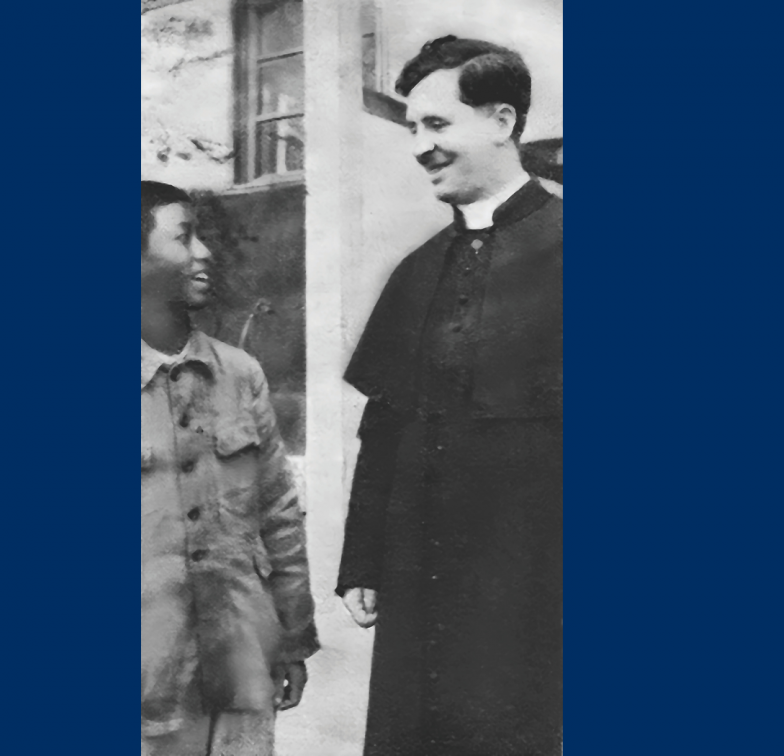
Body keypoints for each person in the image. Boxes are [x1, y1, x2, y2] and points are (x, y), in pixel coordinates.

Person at [337, 37, 563, 755]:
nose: (420, 147)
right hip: (418, 585)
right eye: (412, 129)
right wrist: (363, 562)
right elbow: (384, 428)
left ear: (501, 121)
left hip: (535, 584)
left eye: (437, 125)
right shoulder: (416, 269)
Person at [141, 181, 318, 756]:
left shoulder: (241, 373)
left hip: (243, 663)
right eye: (184, 238)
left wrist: (292, 637)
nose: (204, 254)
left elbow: (279, 514)